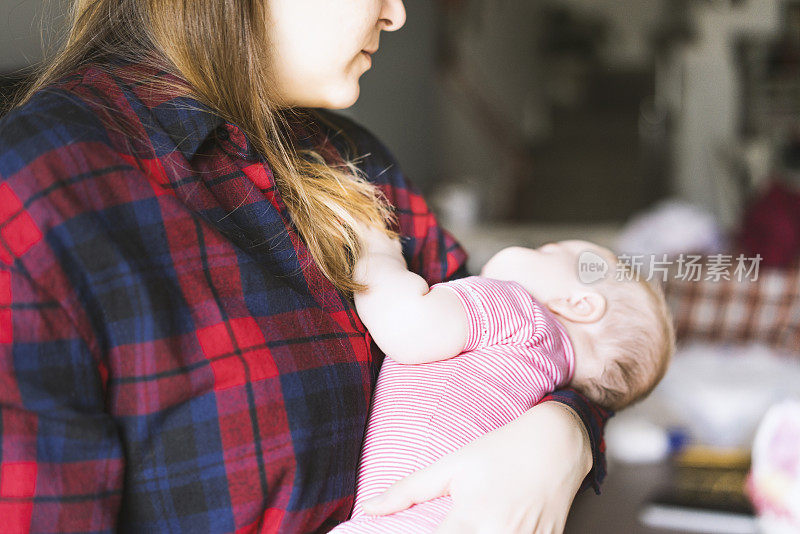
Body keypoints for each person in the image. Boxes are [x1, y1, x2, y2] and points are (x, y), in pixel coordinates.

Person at [0, 1, 610, 532]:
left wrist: (564, 433)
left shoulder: (348, 156)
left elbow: (519, 336)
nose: (395, 13)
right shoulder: (39, 194)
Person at [329, 232, 674, 532]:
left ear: (579, 303)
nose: (536, 248)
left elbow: (406, 323)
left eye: (549, 250)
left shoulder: (521, 310)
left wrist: (375, 251)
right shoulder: (545, 382)